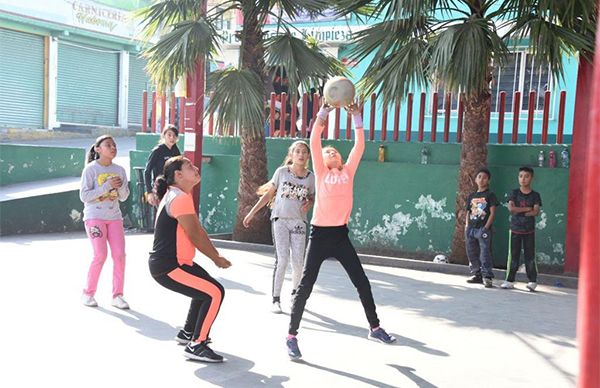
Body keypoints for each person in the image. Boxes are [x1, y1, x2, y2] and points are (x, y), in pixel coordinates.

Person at [285, 102, 396, 361]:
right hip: (320, 235)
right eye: (328, 152)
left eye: (335, 151)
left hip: (340, 236)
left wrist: (356, 114)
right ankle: (291, 336)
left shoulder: (348, 170)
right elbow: (314, 139)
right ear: (321, 160)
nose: (332, 153)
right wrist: (324, 112)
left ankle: (375, 327)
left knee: (362, 282)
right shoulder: (321, 173)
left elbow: (359, 146)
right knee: (305, 286)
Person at [149, 156, 232, 363]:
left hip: (175, 264)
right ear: (178, 175)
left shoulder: (175, 194)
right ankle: (197, 344)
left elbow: (197, 231)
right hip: (169, 266)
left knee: (205, 288)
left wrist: (215, 256)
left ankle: (187, 333)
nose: (196, 168)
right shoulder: (179, 198)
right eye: (190, 167)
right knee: (215, 292)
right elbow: (195, 235)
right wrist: (216, 258)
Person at [243, 141, 315, 314]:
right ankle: (276, 299)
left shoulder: (310, 177)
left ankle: (295, 295)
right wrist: (251, 213)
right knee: (282, 259)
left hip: (298, 222)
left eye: (304, 152)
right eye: (297, 151)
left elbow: (311, 196)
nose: (301, 154)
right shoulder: (282, 172)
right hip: (280, 220)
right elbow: (269, 194)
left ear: (308, 156)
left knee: (298, 262)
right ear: (291, 154)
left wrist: (309, 202)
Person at [80, 135, 130, 309]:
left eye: (114, 145)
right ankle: (88, 293)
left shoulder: (120, 170)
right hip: (95, 217)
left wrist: (121, 186)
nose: (113, 148)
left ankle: (118, 295)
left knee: (120, 255)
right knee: (100, 255)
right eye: (108, 145)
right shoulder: (90, 170)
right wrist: (106, 186)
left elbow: (123, 197)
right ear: (98, 149)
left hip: (114, 217)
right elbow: (84, 196)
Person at [501, 166, 542, 291]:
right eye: (521, 176)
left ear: (531, 178)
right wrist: (527, 209)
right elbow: (511, 209)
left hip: (529, 230)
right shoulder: (514, 193)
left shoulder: (535, 195)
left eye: (526, 176)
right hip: (515, 229)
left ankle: (532, 281)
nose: (523, 179)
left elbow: (535, 212)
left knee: (530, 256)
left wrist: (522, 211)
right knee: (513, 255)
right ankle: (509, 280)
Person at [465, 168, 499, 288]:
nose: (481, 179)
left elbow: (492, 213)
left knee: (485, 253)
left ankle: (487, 276)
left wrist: (486, 227)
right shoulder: (471, 196)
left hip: (483, 229)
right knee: (471, 252)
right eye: (479, 177)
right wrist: (467, 226)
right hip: (471, 229)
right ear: (475, 179)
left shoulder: (490, 195)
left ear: (488, 180)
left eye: (484, 177)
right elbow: (468, 212)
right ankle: (476, 274)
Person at [144, 124, 181, 207]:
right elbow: (147, 171)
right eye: (169, 135)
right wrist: (149, 192)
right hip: (160, 188)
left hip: (172, 188)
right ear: (163, 135)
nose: (172, 138)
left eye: (174, 136)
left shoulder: (176, 151)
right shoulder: (157, 150)